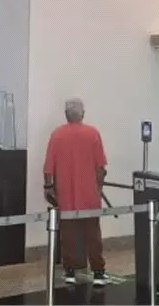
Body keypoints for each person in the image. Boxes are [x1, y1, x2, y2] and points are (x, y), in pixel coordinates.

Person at [43, 98, 108, 286]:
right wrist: (98, 188)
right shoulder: (93, 133)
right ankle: (98, 272)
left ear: (66, 114)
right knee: (93, 234)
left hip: (66, 195)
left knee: (68, 235)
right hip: (89, 194)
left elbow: (48, 168)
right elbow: (100, 167)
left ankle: (70, 272)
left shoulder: (57, 135)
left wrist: (48, 188)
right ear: (83, 114)